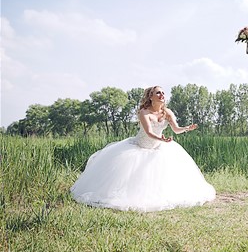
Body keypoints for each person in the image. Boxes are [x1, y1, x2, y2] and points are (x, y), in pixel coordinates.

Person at [71, 86, 216, 212]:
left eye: (163, 93)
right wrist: (161, 139)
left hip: (158, 147)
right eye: (158, 93)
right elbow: (149, 132)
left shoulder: (167, 112)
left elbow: (176, 129)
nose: (162, 95)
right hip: (140, 147)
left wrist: (186, 128)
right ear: (150, 97)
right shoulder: (144, 112)